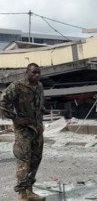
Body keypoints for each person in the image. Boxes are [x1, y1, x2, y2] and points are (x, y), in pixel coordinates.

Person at [0, 63, 46, 201]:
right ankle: (22, 194)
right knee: (23, 160)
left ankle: (30, 191)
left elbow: (41, 105)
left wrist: (40, 121)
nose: (36, 75)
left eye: (38, 72)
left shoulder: (39, 86)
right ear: (27, 73)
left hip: (37, 128)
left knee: (35, 159)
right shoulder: (17, 86)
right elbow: (2, 102)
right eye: (33, 72)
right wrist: (15, 118)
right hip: (24, 130)